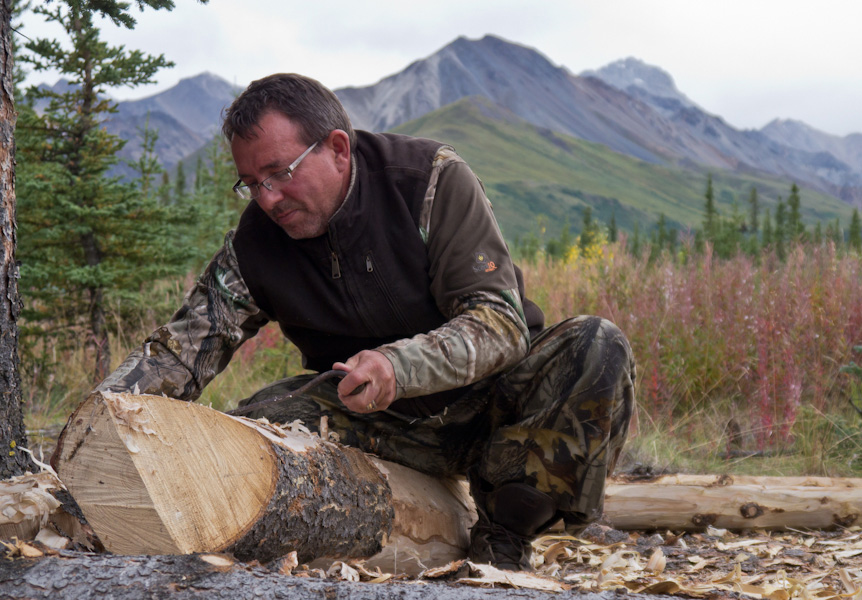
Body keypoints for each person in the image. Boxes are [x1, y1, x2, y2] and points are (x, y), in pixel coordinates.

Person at [98, 73, 636, 571]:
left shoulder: (428, 181)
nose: (268, 199)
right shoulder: (253, 246)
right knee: (253, 424)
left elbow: (499, 322)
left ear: (336, 148)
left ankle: (506, 532)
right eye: (250, 183)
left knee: (595, 344)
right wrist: (99, 425)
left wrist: (399, 366)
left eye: (279, 174)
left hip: (497, 408)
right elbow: (179, 353)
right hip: (372, 417)